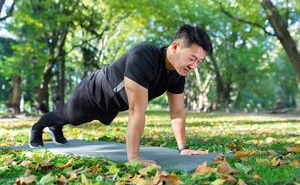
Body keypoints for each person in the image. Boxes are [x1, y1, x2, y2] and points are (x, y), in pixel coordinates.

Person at [29, 24, 213, 165]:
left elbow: (178, 113)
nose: (194, 66)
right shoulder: (143, 57)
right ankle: (38, 128)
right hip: (94, 91)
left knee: (75, 119)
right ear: (175, 47)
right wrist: (134, 157)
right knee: (70, 116)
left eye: (199, 62)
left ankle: (56, 127)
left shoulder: (178, 74)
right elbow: (136, 111)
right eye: (192, 58)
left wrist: (183, 148)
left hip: (113, 103)